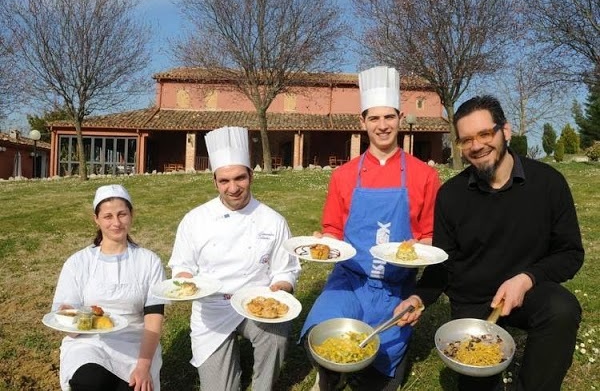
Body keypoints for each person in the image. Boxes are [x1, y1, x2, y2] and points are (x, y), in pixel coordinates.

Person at [394, 95, 584, 391]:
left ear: (505, 131)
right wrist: (418, 299)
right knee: (477, 384)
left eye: (485, 134)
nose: (477, 146)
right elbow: (443, 264)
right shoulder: (451, 195)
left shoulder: (548, 183)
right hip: (472, 301)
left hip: (527, 292)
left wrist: (527, 279)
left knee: (561, 309)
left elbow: (570, 253)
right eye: (466, 139)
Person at [300, 66, 441, 391]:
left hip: (396, 285)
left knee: (380, 378)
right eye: (374, 119)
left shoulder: (424, 176)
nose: (382, 126)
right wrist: (324, 242)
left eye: (388, 117)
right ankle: (329, 375)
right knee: (320, 337)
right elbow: (333, 228)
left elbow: (429, 235)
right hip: (349, 279)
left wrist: (418, 251)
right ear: (362, 122)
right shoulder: (343, 176)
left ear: (400, 118)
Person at [168, 126, 301, 391]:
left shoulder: (273, 220)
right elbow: (182, 265)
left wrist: (281, 287)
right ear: (214, 181)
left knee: (277, 336)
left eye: (240, 178)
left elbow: (285, 269)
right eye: (224, 181)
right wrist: (183, 281)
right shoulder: (195, 220)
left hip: (255, 302)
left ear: (251, 175)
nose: (233, 188)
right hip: (212, 308)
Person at [52, 184, 167, 391]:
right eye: (108, 216)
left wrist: (143, 366)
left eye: (122, 214)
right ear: (96, 219)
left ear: (131, 215)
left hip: (135, 343)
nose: (116, 223)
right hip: (90, 342)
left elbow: (153, 319)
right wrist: (68, 319)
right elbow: (67, 314)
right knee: (90, 380)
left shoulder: (149, 262)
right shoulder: (78, 263)